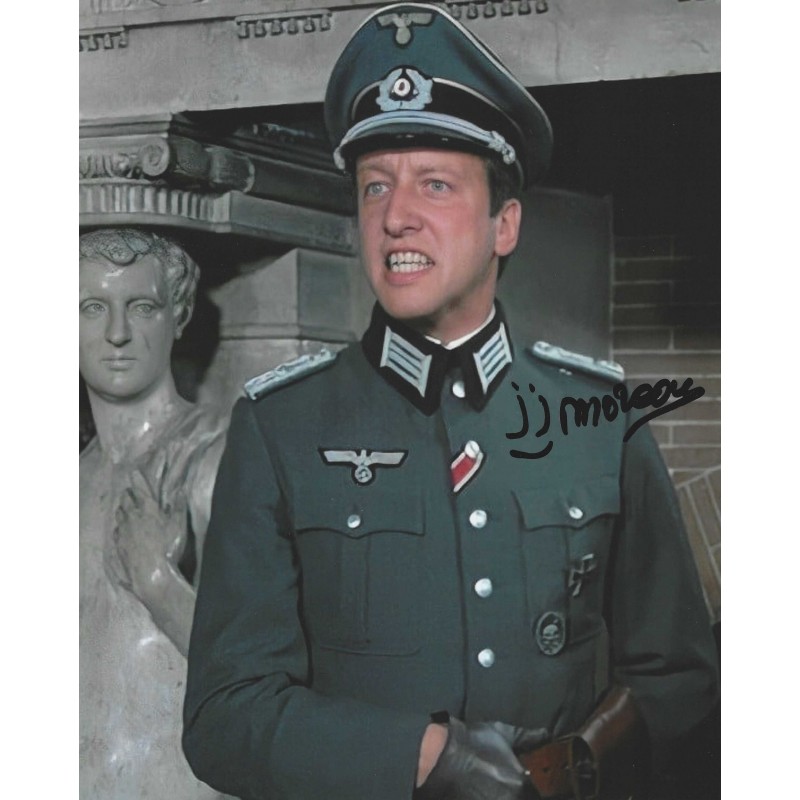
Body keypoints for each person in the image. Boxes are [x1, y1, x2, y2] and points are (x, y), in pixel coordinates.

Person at [182, 5, 719, 800]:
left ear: (505, 225)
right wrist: (420, 756)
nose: (396, 216)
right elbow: (223, 718)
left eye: (434, 184)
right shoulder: (280, 428)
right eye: (375, 187)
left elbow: (678, 682)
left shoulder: (602, 418)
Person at [79, 228, 228, 799]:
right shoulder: (73, 475)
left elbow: (267, 679)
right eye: (92, 308)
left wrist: (157, 581)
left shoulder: (214, 457)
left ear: (177, 317)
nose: (117, 333)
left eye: (141, 306)